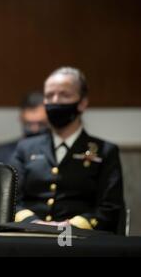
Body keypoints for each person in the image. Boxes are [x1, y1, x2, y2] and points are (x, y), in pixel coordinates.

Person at [10, 67, 124, 232]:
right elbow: (10, 199)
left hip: (82, 240)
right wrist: (32, 222)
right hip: (30, 236)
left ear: (82, 103)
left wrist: (71, 226)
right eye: (49, 95)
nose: (55, 100)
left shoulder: (105, 151)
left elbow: (110, 208)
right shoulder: (26, 148)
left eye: (65, 95)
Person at [0, 91, 48, 164]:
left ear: (49, 120)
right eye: (29, 124)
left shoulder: (57, 151)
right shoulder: (3, 153)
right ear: (21, 118)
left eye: (40, 123)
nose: (35, 129)